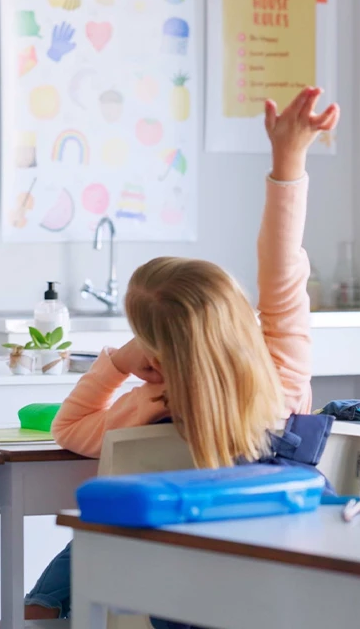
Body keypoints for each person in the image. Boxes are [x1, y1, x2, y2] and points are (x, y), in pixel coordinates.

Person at [20, 86, 340, 624]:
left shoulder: (144, 410)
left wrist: (118, 363)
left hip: (168, 595)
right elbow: (281, 271)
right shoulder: (280, 381)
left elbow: (68, 426)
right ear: (236, 312)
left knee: (55, 585)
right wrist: (289, 160)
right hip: (275, 590)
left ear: (153, 346)